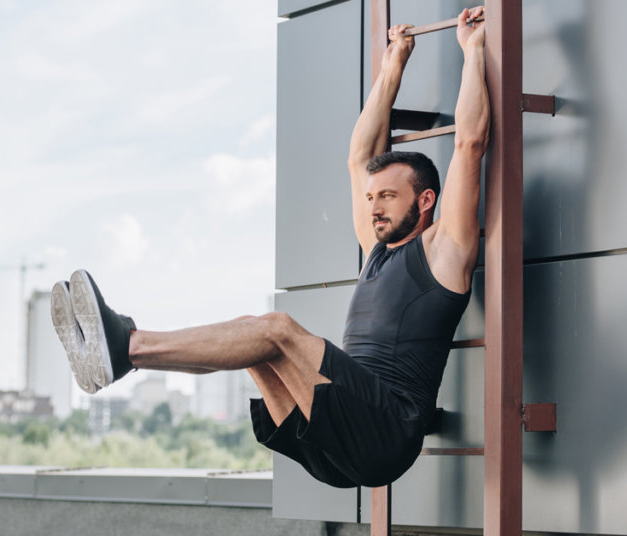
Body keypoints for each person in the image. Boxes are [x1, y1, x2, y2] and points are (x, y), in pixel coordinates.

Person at [50, 7, 489, 488]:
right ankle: (123, 358)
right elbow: (358, 158)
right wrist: (393, 66)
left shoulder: (445, 249)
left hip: (387, 434)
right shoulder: (376, 252)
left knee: (276, 328)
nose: (374, 208)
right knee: (252, 337)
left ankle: (127, 346)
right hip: (331, 441)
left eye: (387, 196)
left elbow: (469, 143)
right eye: (370, 198)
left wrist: (473, 50)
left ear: (426, 201)